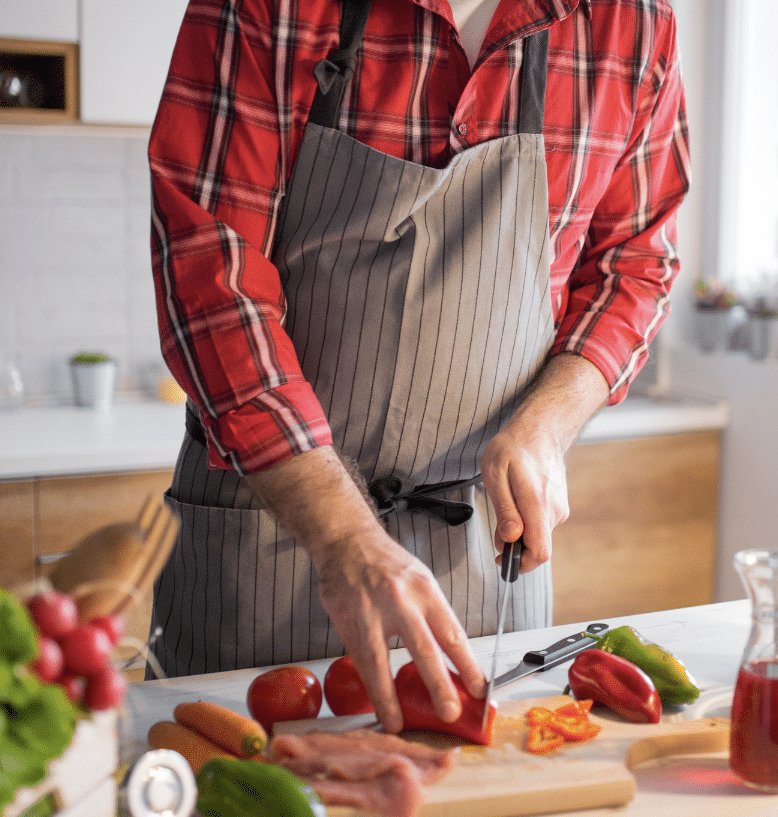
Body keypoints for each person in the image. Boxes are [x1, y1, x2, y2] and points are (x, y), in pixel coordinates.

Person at [148, 0, 689, 733]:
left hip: (480, 554)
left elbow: (635, 266)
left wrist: (545, 428)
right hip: (268, 534)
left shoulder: (631, 22)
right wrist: (343, 535)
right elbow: (212, 276)